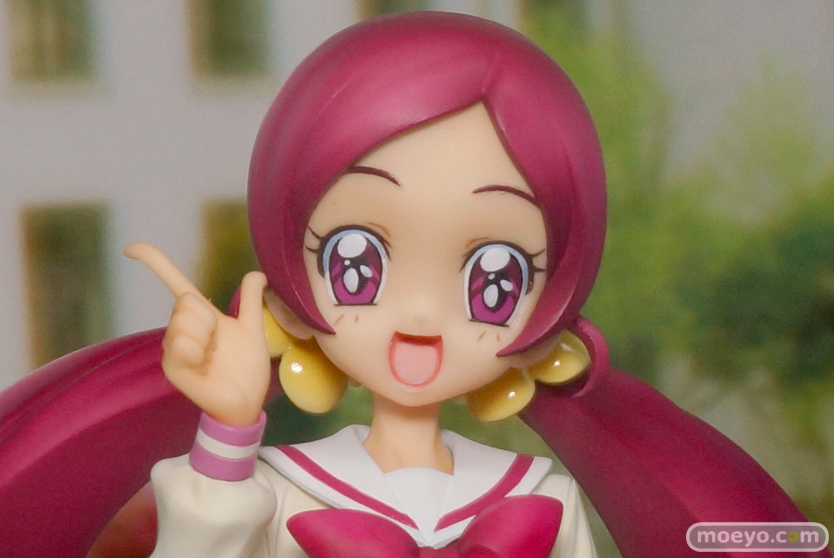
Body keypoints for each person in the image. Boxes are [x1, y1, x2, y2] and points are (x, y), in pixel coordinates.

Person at [0, 11, 826, 558]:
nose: (422, 315)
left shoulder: (540, 495)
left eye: (494, 280)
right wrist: (226, 428)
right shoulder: (277, 489)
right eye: (358, 263)